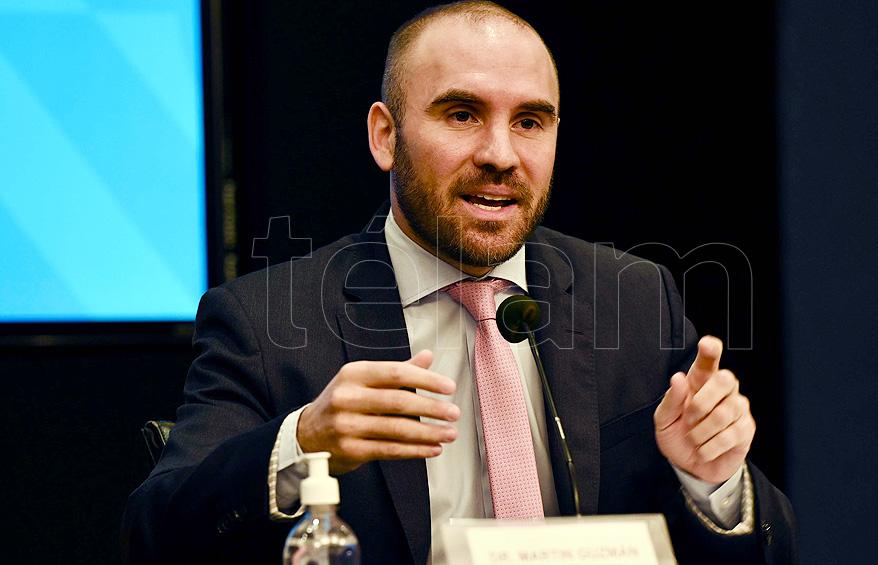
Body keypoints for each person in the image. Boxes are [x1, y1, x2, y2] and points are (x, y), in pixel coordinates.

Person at [123, 2, 796, 563]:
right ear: (385, 136)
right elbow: (153, 536)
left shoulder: (633, 299)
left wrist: (712, 482)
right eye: (462, 114)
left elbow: (772, 546)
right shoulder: (270, 320)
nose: (501, 155)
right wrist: (305, 442)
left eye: (529, 122)